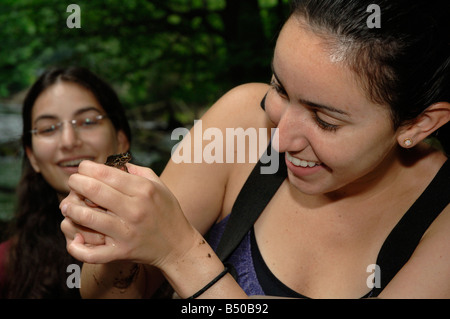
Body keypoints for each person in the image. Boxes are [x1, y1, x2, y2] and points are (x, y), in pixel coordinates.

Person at [60, 0, 449, 299]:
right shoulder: (240, 120)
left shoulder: (441, 221)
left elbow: (178, 252)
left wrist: (181, 253)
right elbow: (109, 292)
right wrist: (118, 247)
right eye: (279, 88)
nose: (278, 140)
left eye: (325, 120)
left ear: (417, 124)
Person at [0, 66, 131, 298]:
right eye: (48, 128)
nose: (69, 141)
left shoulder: (175, 230)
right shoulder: (7, 264)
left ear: (121, 141)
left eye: (88, 121)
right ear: (32, 157)